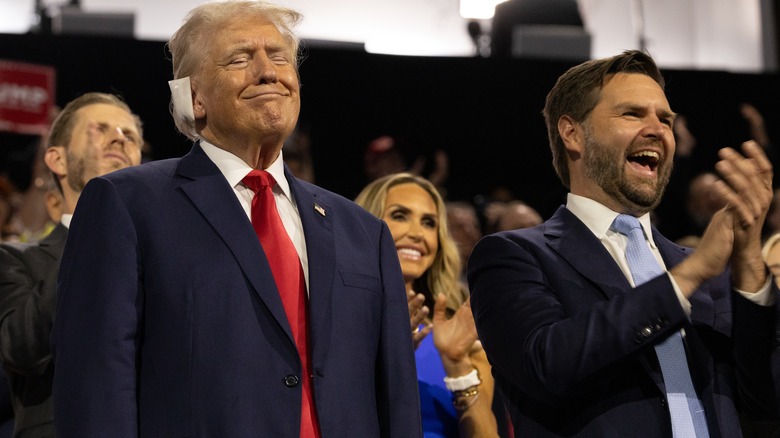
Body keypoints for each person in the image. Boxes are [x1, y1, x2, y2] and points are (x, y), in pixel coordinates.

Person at [50, 2, 421, 437]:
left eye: (279, 56)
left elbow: (396, 399)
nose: (268, 72)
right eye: (240, 59)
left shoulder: (364, 232)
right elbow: (96, 385)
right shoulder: (127, 206)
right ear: (195, 98)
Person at [468, 49, 780, 437]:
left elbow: (765, 399)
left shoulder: (711, 273)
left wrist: (749, 258)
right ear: (572, 133)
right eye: (633, 114)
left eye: (665, 119)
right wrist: (690, 275)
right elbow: (546, 365)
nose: (658, 130)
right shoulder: (515, 256)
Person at [0, 91, 144, 437]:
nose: (119, 139)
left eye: (131, 136)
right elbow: (23, 349)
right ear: (57, 159)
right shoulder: (15, 260)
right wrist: (93, 227)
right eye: (100, 129)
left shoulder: (163, 255)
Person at [355, 173, 501, 437]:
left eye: (429, 223)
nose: (417, 234)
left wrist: (456, 364)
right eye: (399, 216)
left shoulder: (461, 336)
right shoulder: (336, 323)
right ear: (364, 223)